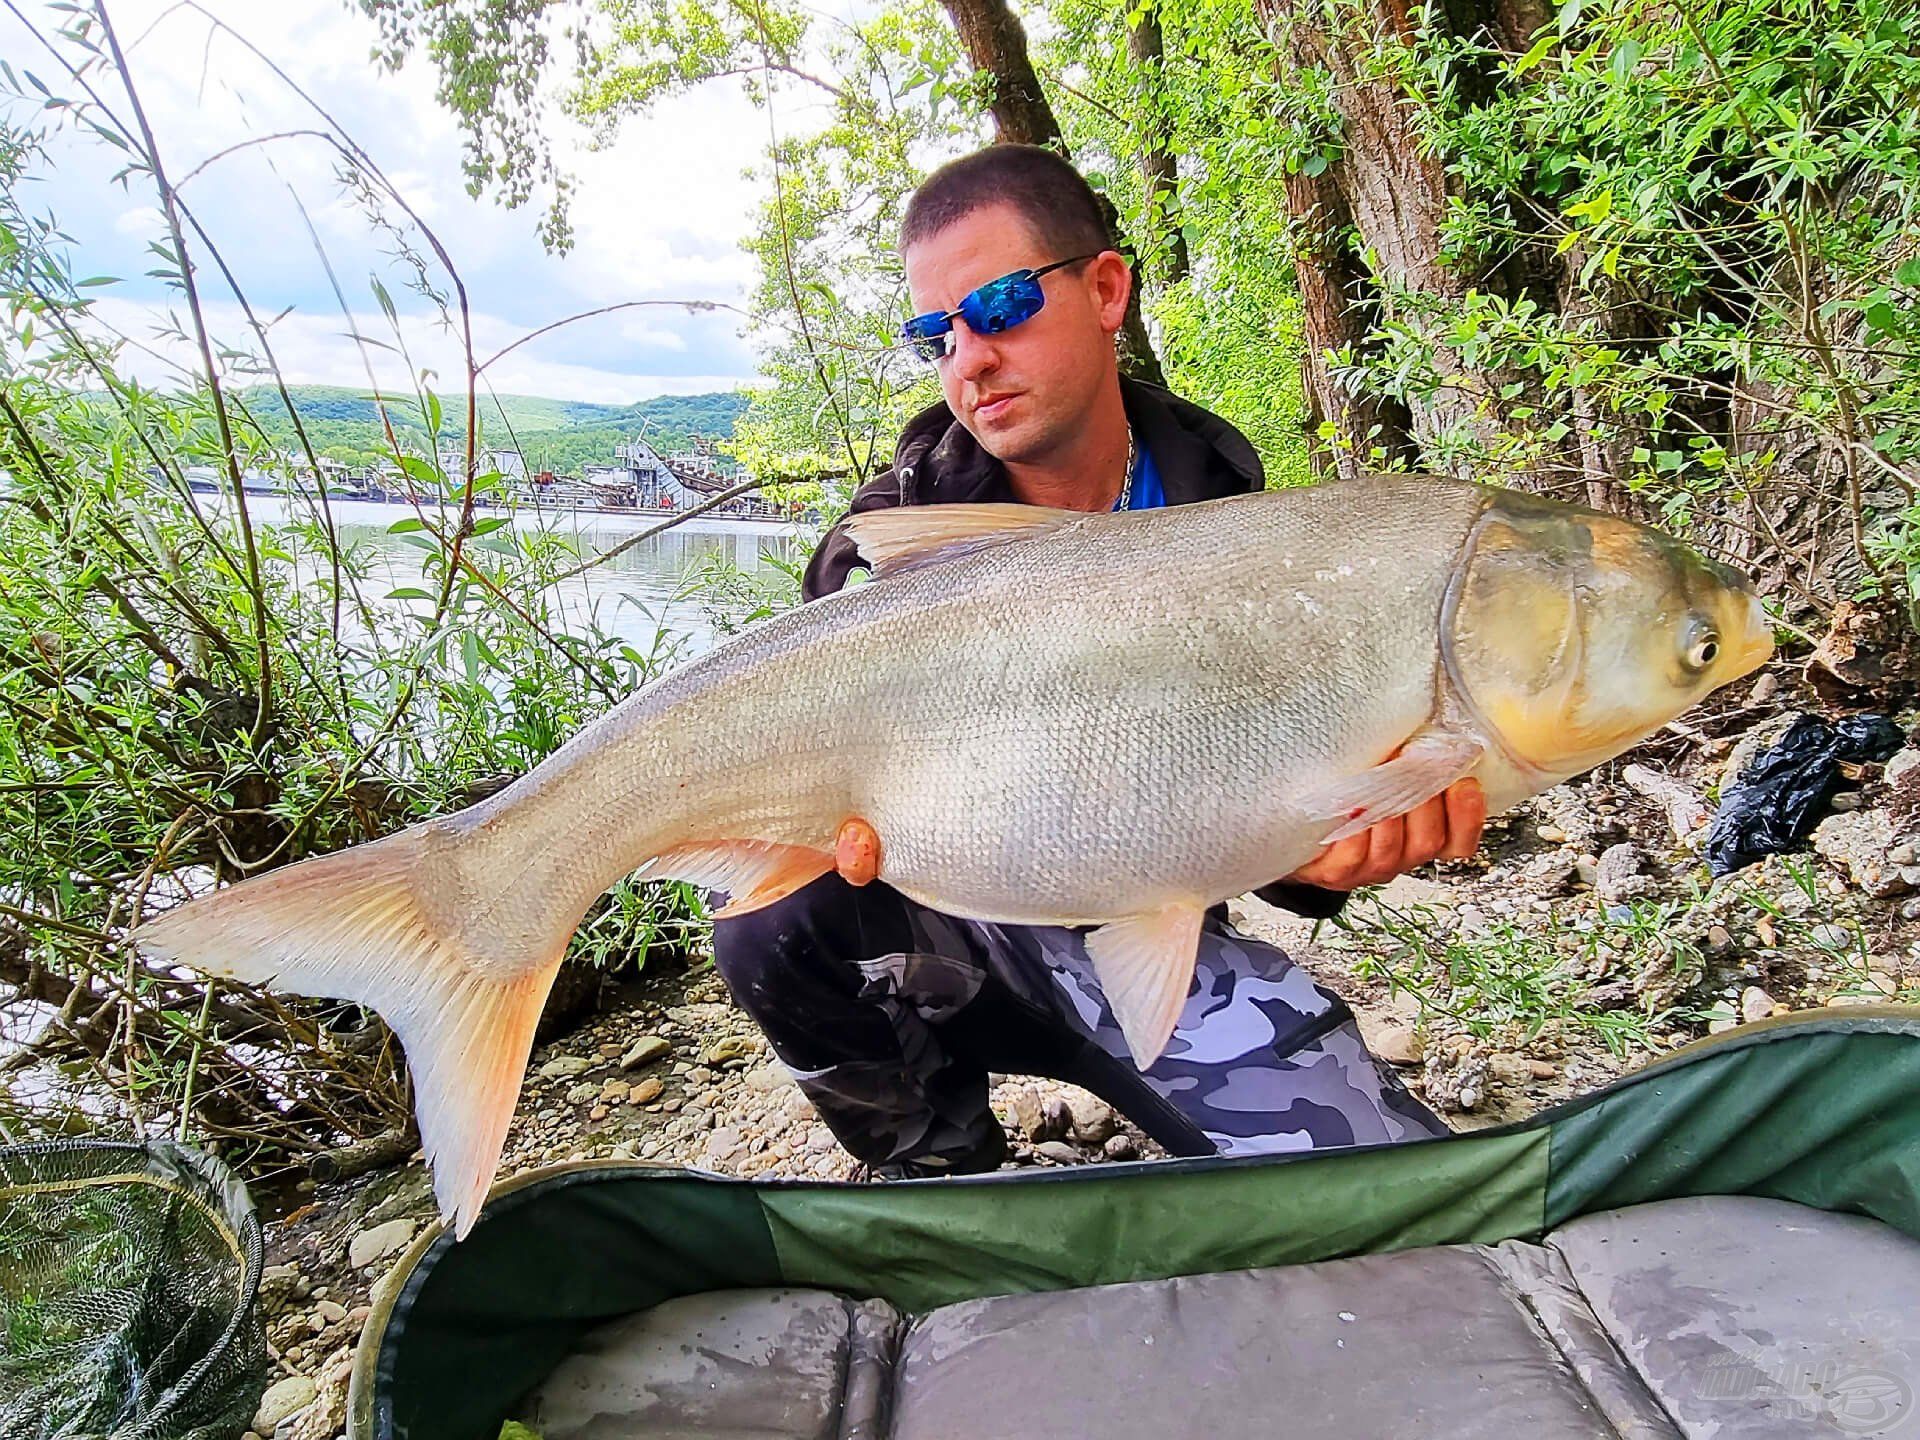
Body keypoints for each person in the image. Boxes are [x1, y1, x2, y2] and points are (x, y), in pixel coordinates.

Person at [712, 143, 1485, 1176]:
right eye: (933, 335)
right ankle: (944, 1177)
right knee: (772, 925)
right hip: (953, 940)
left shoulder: (1233, 522)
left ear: (1107, 288)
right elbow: (813, 793)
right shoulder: (889, 540)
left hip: (1150, 938)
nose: (968, 361)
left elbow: (1279, 839)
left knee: (1393, 1188)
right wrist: (816, 820)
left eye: (995, 308)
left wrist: (1330, 853)